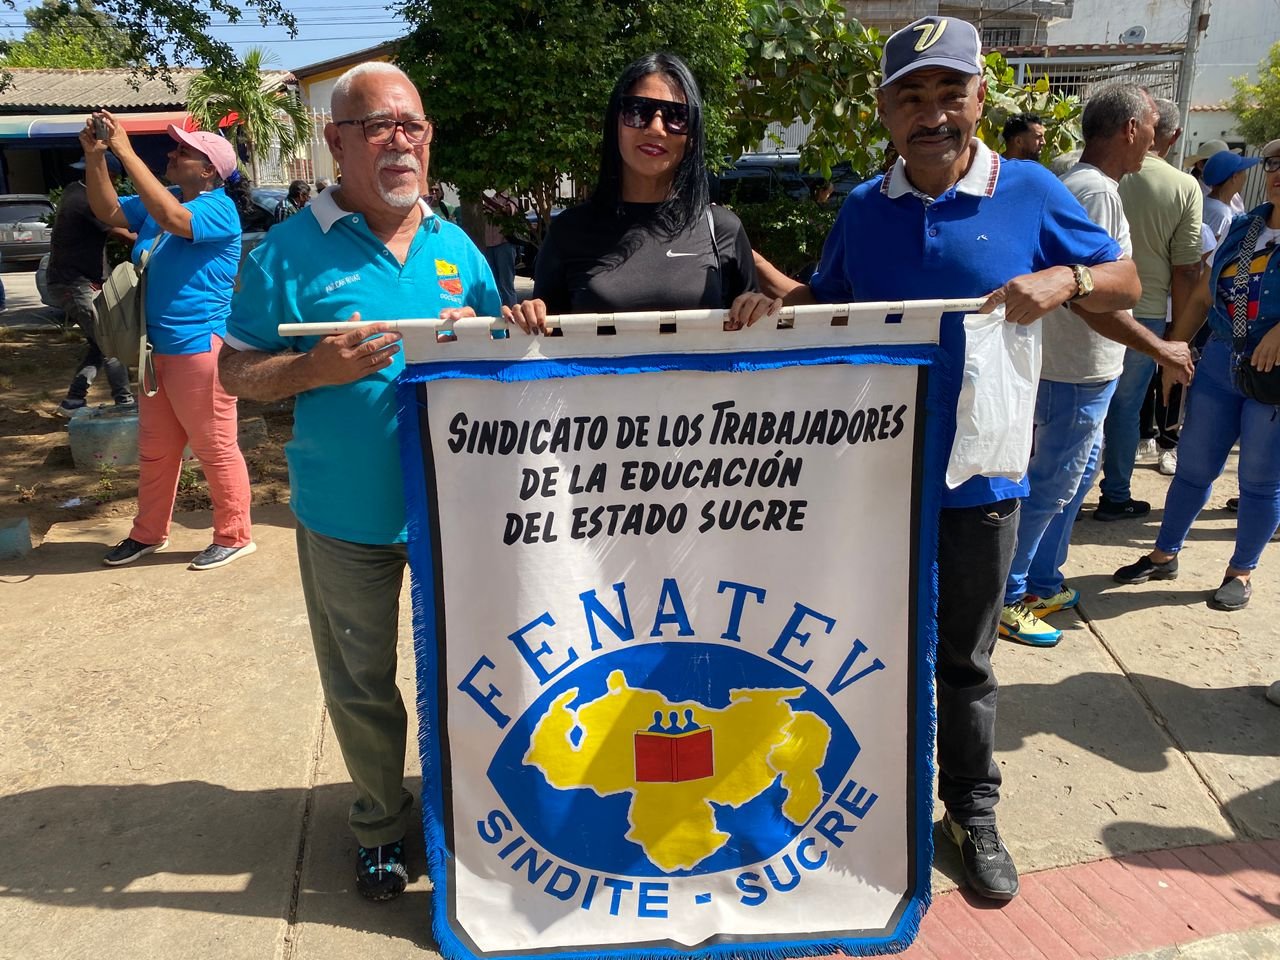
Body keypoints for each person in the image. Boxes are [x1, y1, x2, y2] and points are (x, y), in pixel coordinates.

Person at [752, 16, 1139, 901]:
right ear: (885, 111)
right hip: (873, 481)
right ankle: (866, 805)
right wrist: (765, 295)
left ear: (979, 99)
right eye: (911, 97)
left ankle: (971, 809)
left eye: (949, 94)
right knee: (862, 651)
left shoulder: (1030, 189)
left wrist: (1068, 279)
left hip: (982, 480)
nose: (932, 115)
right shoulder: (864, 208)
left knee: (965, 661)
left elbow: (1123, 279)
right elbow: (829, 304)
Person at [218, 61, 501, 902]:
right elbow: (234, 371)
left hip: (457, 514)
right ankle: (380, 824)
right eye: (378, 126)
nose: (399, 142)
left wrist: (482, 340)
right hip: (347, 516)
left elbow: (509, 362)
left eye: (411, 126)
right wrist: (311, 368)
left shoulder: (458, 247)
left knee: (474, 675)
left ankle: (471, 817)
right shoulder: (287, 251)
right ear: (336, 141)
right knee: (362, 682)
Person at [998, 85, 1194, 647]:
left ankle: (1040, 580)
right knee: (1050, 485)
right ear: (1130, 128)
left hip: (1080, 368)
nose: (1155, 141)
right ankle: (1009, 598)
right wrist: (1160, 348)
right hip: (1073, 370)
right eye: (1152, 128)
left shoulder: (1086, 183)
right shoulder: (1097, 193)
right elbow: (1090, 299)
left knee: (1073, 479)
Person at [1113, 138, 1280, 612]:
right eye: (1273, 163)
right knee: (1193, 467)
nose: (1278, 173)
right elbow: (1205, 294)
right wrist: (1174, 351)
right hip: (1221, 364)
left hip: (1272, 376)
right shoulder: (1246, 227)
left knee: (1259, 480)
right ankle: (1164, 554)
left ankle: (1241, 571)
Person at [82, 115, 254, 572]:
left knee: (215, 446)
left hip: (200, 348)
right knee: (156, 450)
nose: (172, 155)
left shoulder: (217, 209)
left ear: (210, 170)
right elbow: (109, 211)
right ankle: (148, 533)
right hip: (155, 350)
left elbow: (173, 220)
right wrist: (95, 157)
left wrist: (125, 151)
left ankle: (235, 535)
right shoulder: (169, 198)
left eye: (184, 152)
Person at [507, 52, 773, 333]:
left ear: (693, 137)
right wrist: (528, 317)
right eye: (638, 111)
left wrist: (759, 308)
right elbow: (546, 343)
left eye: (677, 116)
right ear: (615, 123)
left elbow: (749, 337)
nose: (656, 129)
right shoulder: (567, 232)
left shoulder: (722, 230)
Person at [1097, 97, 1205, 508]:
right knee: (1126, 408)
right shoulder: (1184, 186)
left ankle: (1064, 501)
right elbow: (1187, 269)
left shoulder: (1100, 172)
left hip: (1090, 304)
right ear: (1173, 136)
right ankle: (1116, 495)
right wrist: (1177, 336)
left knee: (1086, 401)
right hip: (1146, 312)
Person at [50, 151, 137, 417]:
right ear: (108, 176)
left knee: (100, 343)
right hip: (74, 283)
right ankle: (125, 402)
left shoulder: (75, 190)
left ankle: (73, 400)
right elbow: (122, 232)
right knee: (110, 340)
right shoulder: (88, 199)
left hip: (74, 280)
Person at [1202, 151, 1260, 244]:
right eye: (1244, 172)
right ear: (1235, 177)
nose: (1245, 177)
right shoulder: (1222, 215)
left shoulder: (1205, 203)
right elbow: (1215, 251)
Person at [480, 189, 519, 307]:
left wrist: (486, 199)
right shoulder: (491, 199)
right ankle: (497, 313)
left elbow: (507, 210)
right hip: (490, 246)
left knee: (506, 284)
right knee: (493, 284)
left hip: (504, 244)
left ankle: (511, 313)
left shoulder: (512, 198)